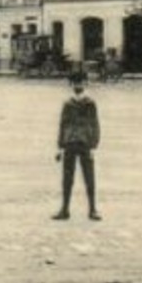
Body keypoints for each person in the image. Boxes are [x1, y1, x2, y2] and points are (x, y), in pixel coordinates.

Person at [53, 71, 101, 221]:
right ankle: (64, 209)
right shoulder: (67, 104)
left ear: (86, 84)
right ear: (71, 85)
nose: (78, 86)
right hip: (69, 143)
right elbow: (63, 125)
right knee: (67, 178)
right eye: (75, 83)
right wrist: (59, 146)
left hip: (85, 143)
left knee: (89, 178)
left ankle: (93, 209)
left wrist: (94, 145)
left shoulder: (90, 103)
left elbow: (95, 124)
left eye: (81, 83)